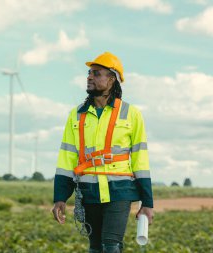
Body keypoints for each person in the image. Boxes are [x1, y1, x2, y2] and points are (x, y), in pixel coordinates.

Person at [52, 52, 154, 253]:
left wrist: (147, 202)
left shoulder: (131, 114)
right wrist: (60, 197)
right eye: (89, 73)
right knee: (95, 247)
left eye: (96, 73)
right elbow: (67, 158)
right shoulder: (77, 114)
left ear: (111, 79)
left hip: (120, 191)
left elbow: (140, 159)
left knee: (111, 246)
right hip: (88, 192)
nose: (89, 77)